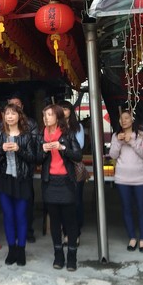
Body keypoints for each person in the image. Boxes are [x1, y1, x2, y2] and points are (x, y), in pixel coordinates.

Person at [35, 104, 82, 271]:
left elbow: (77, 155)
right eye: (44, 115)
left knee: (70, 220)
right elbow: (36, 159)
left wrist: (62, 148)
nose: (46, 118)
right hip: (49, 182)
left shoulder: (67, 133)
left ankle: (72, 257)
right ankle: (58, 255)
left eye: (49, 115)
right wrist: (43, 150)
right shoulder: (41, 134)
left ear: (58, 117)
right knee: (54, 221)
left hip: (66, 181)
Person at [0, 103, 36, 266]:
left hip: (22, 179)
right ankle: (11, 249)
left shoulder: (26, 135)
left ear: (19, 116)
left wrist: (19, 149)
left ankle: (21, 249)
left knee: (21, 215)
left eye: (13, 113)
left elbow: (33, 158)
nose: (9, 116)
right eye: (7, 113)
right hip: (4, 179)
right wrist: (1, 148)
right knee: (8, 216)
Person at [109, 108, 143, 252]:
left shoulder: (142, 135)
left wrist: (131, 141)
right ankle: (132, 237)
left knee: (142, 207)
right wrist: (119, 142)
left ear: (133, 119)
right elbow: (113, 155)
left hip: (141, 178)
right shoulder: (115, 136)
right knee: (126, 208)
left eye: (127, 118)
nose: (124, 121)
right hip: (122, 178)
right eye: (121, 119)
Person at [8, 96, 38, 243]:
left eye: (17, 105)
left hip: (25, 169)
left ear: (22, 107)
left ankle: (28, 231)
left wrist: (20, 146)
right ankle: (14, 233)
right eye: (11, 105)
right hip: (8, 171)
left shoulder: (30, 123)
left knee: (26, 202)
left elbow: (34, 145)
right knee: (10, 203)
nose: (14, 108)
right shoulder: (2, 126)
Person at [59, 100, 85, 246]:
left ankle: (76, 233)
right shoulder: (55, 126)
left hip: (74, 166)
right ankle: (66, 233)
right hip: (59, 167)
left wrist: (63, 146)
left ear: (70, 111)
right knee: (63, 201)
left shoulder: (77, 127)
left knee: (76, 201)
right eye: (61, 108)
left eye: (66, 108)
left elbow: (79, 146)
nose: (63, 111)